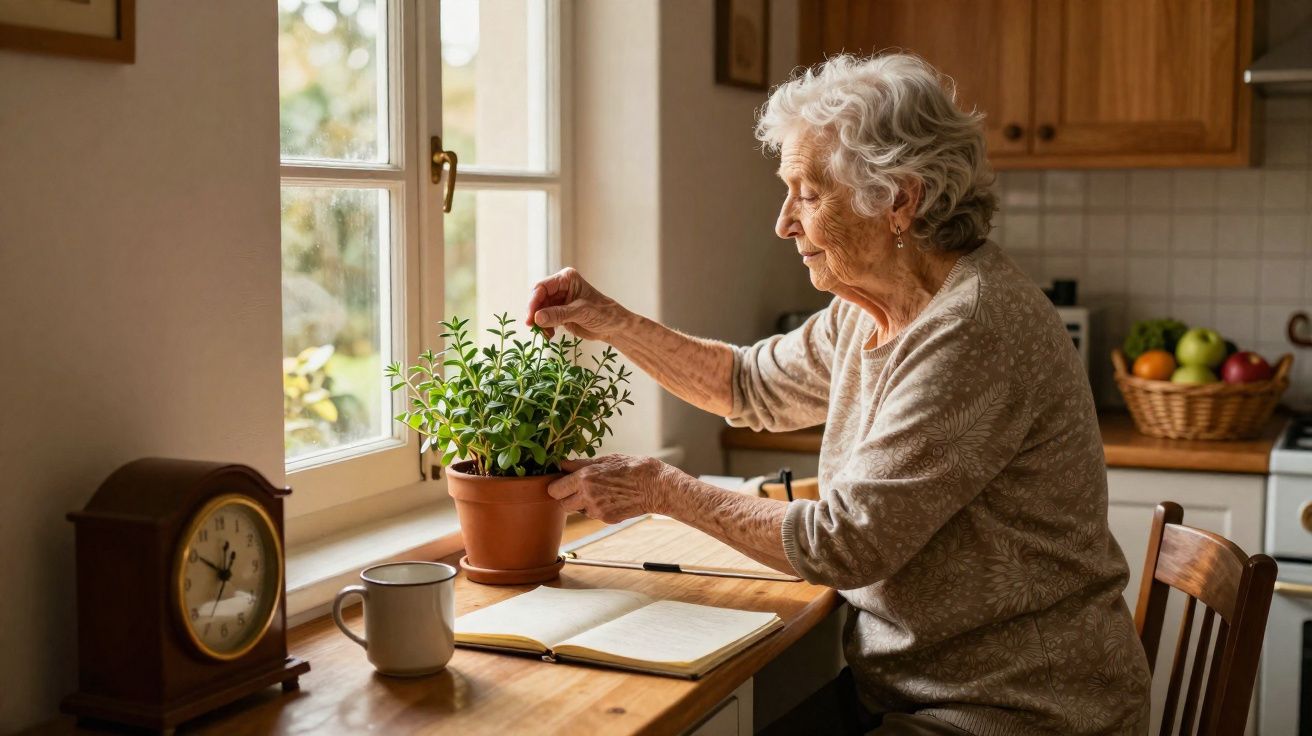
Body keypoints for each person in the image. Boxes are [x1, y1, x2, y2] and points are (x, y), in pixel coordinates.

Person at [529, 53, 1150, 734]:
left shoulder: (971, 328)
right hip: (915, 691)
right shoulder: (872, 307)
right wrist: (608, 321)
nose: (784, 222)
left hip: (1017, 708)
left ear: (899, 200)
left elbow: (845, 544)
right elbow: (748, 384)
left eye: (808, 194)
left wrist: (662, 489)